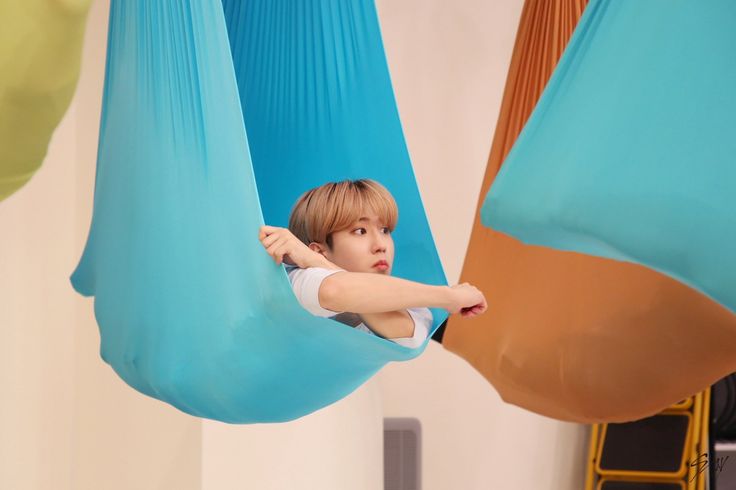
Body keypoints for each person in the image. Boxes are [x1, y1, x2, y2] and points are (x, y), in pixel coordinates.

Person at [259, 179, 487, 348]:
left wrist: (317, 262)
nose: (381, 245)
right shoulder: (298, 278)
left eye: (385, 230)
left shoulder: (415, 308)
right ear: (320, 250)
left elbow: (404, 333)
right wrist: (448, 297)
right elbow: (334, 290)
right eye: (360, 231)